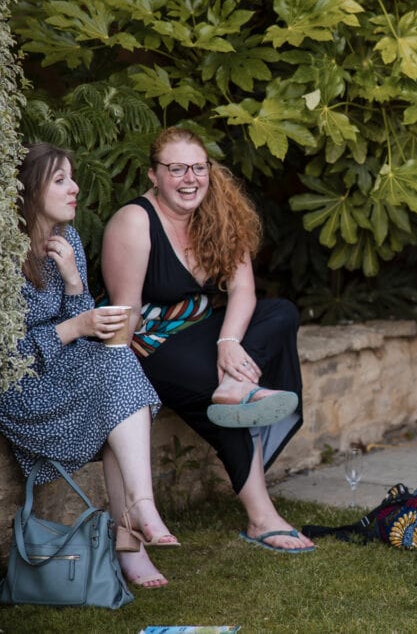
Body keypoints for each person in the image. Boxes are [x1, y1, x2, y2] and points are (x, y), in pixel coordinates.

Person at [0, 143, 177, 590]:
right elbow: (0, 359)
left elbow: (85, 321)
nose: (75, 188)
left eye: (72, 177)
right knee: (117, 389)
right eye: (60, 179)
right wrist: (74, 327)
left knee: (118, 371)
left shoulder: (69, 239)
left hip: (59, 369)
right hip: (17, 388)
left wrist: (74, 282)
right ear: (28, 188)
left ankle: (136, 523)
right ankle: (135, 529)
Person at [101, 126, 314, 554]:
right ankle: (261, 517)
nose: (190, 178)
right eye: (176, 168)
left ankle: (236, 388)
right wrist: (116, 384)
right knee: (219, 392)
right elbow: (126, 315)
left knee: (280, 313)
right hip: (150, 348)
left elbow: (243, 291)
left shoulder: (217, 217)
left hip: (203, 335)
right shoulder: (135, 221)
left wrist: (228, 342)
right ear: (153, 175)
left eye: (198, 168)